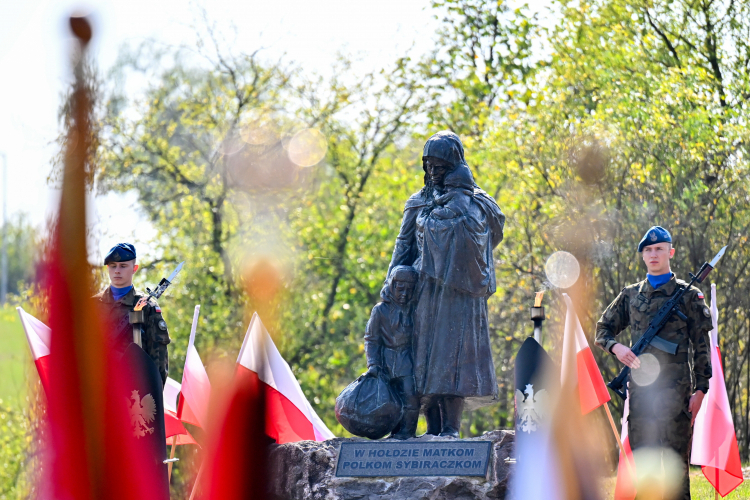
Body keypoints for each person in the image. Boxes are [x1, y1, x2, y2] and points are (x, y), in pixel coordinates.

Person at [388, 131, 505, 438]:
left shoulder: (478, 202)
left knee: (456, 359)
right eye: (428, 165)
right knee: (424, 360)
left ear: (454, 162)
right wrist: (391, 289)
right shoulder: (418, 202)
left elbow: (489, 237)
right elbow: (403, 248)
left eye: (439, 164)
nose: (433, 171)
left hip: (461, 295)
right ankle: (432, 430)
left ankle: (451, 430)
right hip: (424, 292)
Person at [595, 226, 712, 500]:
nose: (654, 254)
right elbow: (602, 330)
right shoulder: (631, 296)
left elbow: (702, 346)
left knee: (675, 475)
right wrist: (617, 347)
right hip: (642, 399)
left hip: (677, 399)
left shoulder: (688, 296)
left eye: (659, 249)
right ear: (643, 256)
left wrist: (701, 390)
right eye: (648, 250)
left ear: (670, 252)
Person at [94, 243, 171, 386]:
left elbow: (159, 360)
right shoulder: (92, 306)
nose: (117, 271)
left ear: (134, 269)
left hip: (132, 393)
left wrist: (151, 399)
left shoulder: (148, 307)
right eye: (113, 266)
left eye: (123, 266)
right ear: (107, 268)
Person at [363, 265, 420, 439]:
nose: (404, 294)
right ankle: (391, 432)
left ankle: (407, 433)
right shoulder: (380, 310)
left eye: (409, 290)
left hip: (408, 360)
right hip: (386, 361)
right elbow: (372, 339)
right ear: (392, 286)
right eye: (400, 289)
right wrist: (373, 364)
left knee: (410, 398)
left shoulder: (415, 309)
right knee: (389, 401)